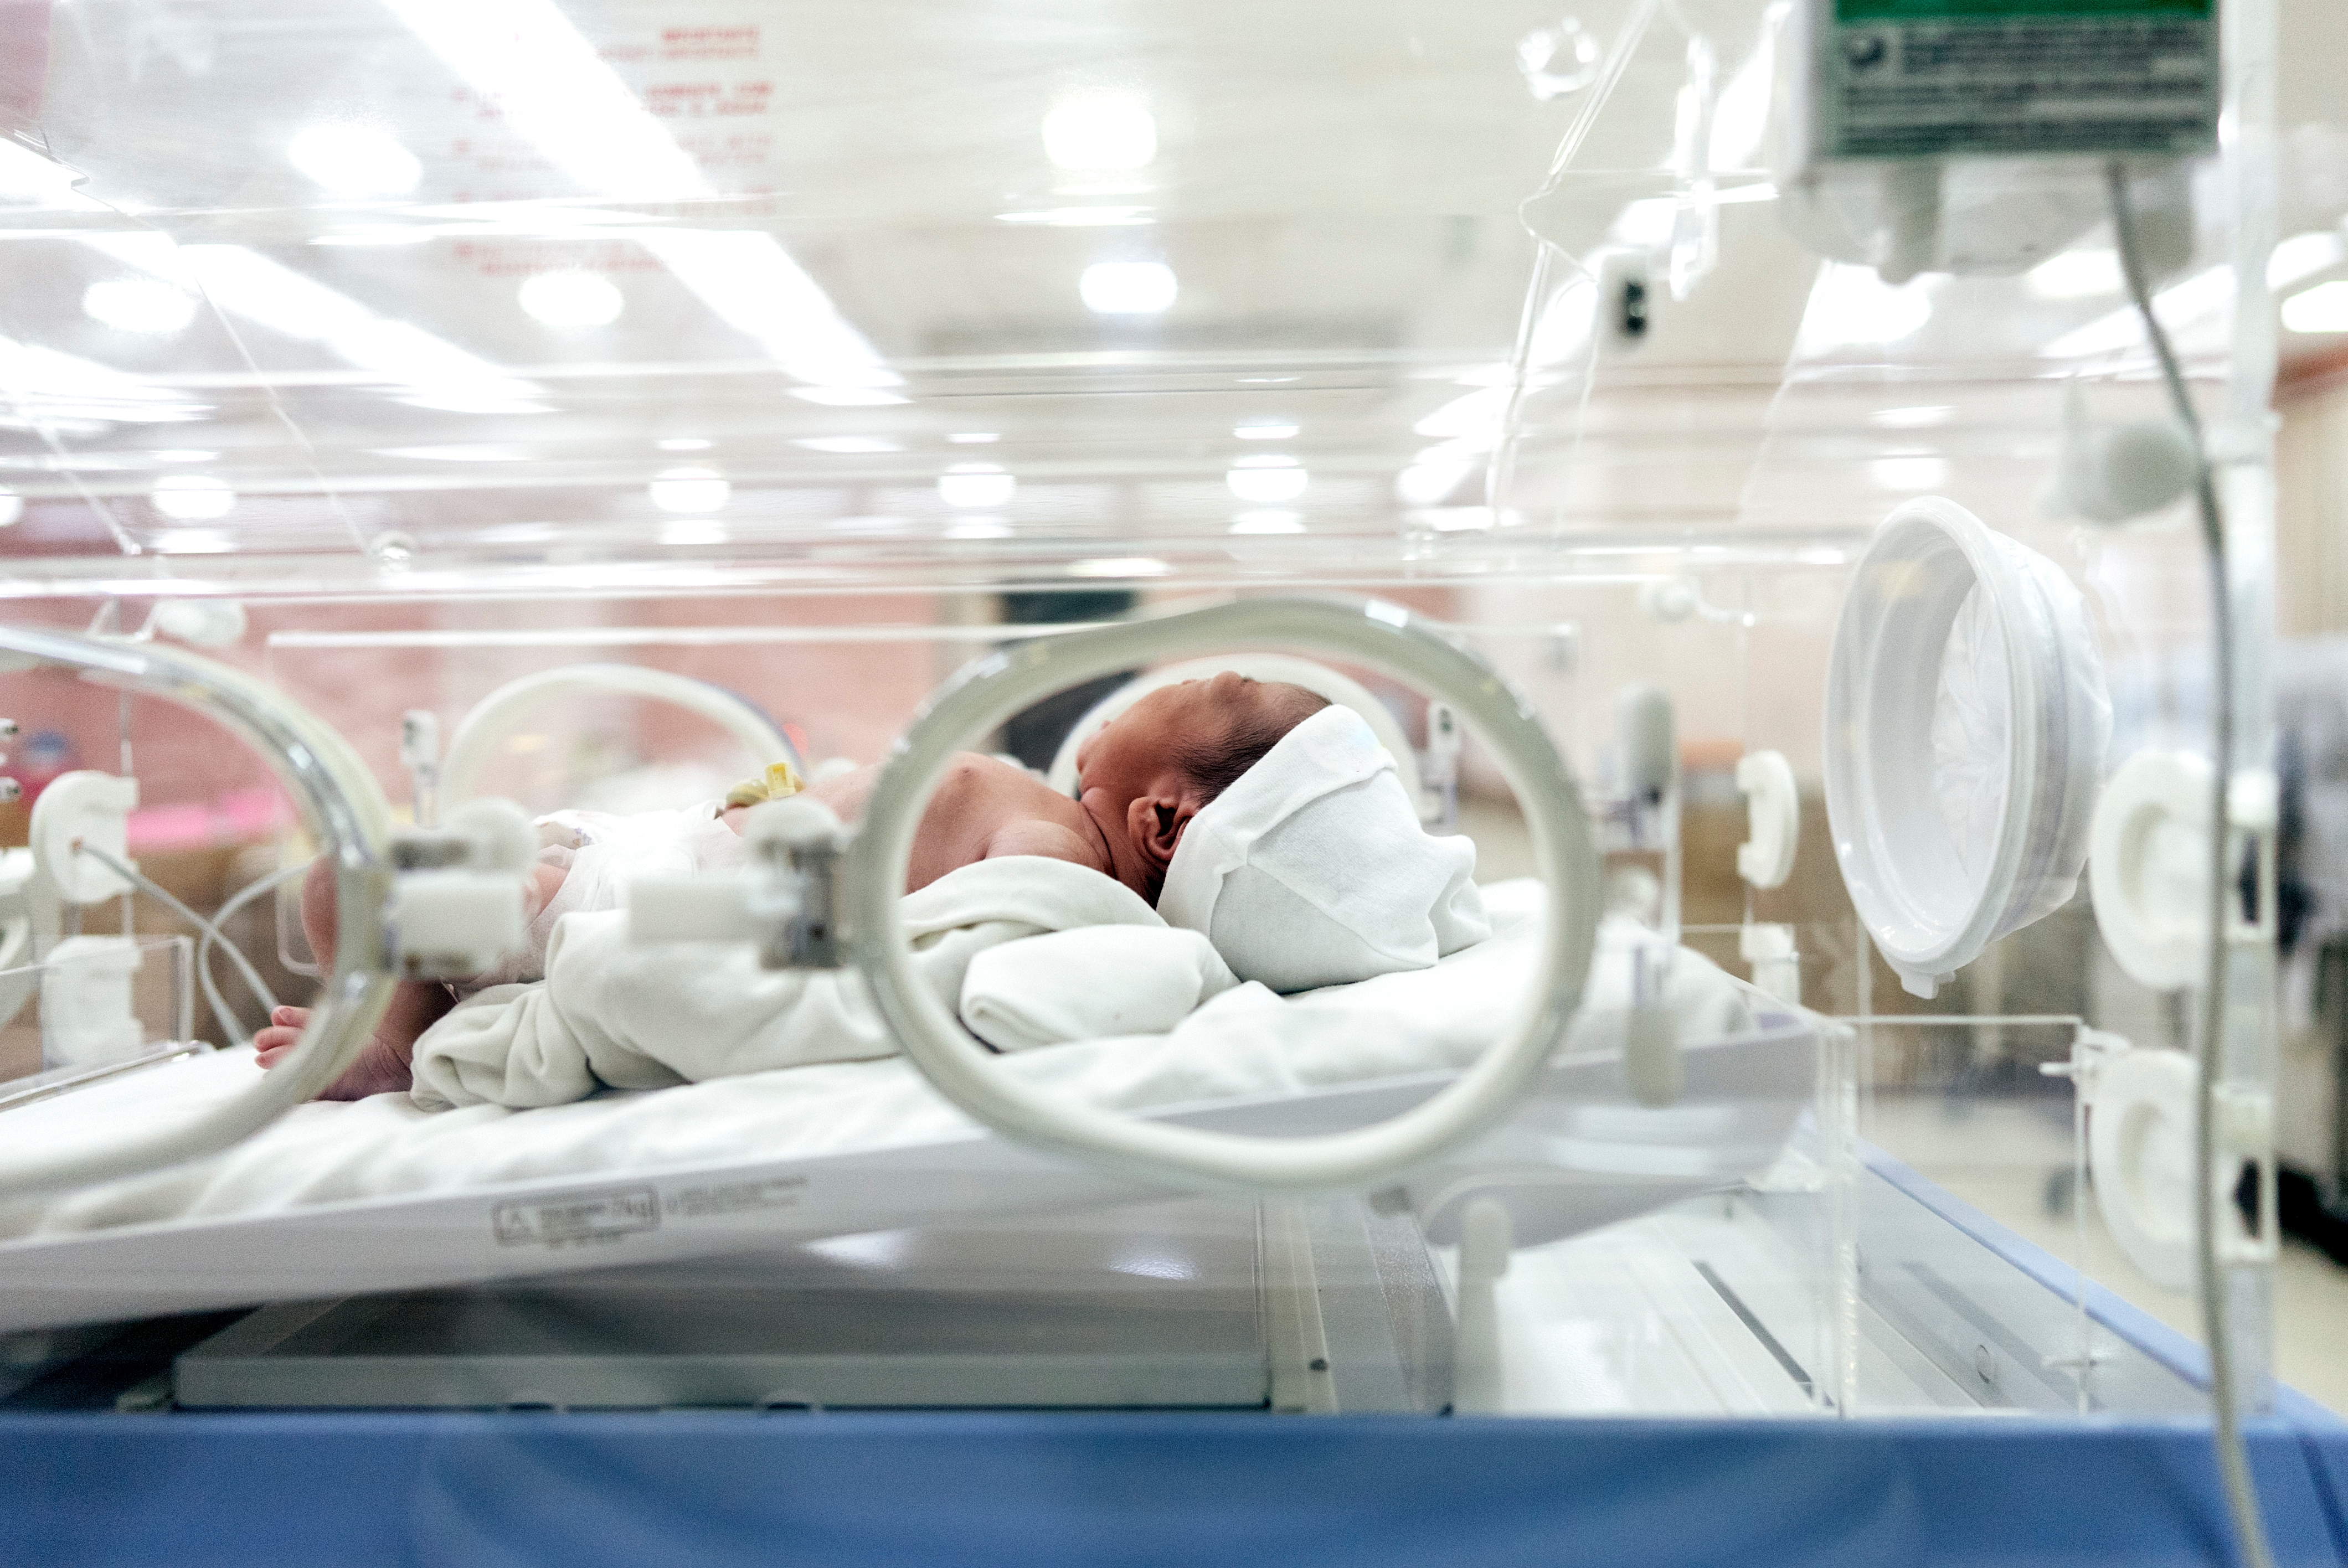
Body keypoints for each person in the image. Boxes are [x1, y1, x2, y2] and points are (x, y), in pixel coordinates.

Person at [255, 672, 1330, 1100]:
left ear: (1162, 818)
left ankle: (392, 1038)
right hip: (662, 842)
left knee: (343, 889)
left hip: (654, 895)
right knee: (357, 887)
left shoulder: (1060, 859)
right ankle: (431, 994)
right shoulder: (1044, 809)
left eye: (1209, 689)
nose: (1183, 672)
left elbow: (961, 955)